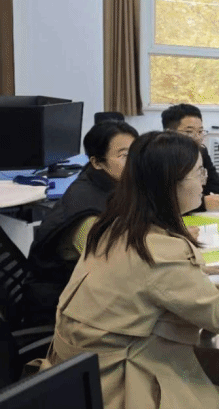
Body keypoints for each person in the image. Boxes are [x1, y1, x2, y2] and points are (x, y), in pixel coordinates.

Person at [41, 131, 219, 408]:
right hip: (115, 384)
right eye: (199, 173)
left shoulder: (114, 225)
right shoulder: (160, 253)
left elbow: (139, 279)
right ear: (169, 184)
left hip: (76, 371)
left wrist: (190, 272)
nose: (204, 181)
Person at [24, 120, 139, 326]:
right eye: (124, 156)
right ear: (97, 162)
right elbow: (115, 267)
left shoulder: (106, 183)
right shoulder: (88, 214)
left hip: (87, 290)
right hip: (65, 307)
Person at [161, 104, 219, 212]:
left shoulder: (201, 152)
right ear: (169, 133)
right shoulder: (158, 156)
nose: (197, 138)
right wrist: (202, 203)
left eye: (200, 131)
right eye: (189, 132)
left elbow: (215, 187)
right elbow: (162, 199)